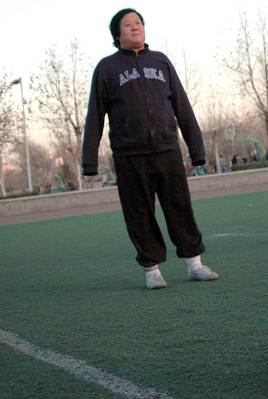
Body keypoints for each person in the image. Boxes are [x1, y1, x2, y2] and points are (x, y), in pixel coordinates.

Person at [82, 8, 219, 289]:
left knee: (180, 207)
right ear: (116, 34)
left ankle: (195, 265)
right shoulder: (107, 69)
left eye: (139, 23)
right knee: (139, 212)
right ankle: (152, 270)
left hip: (167, 149)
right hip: (129, 155)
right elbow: (94, 115)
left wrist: (197, 150)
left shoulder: (161, 62)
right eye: (128, 25)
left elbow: (182, 106)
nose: (135, 28)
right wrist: (89, 163)